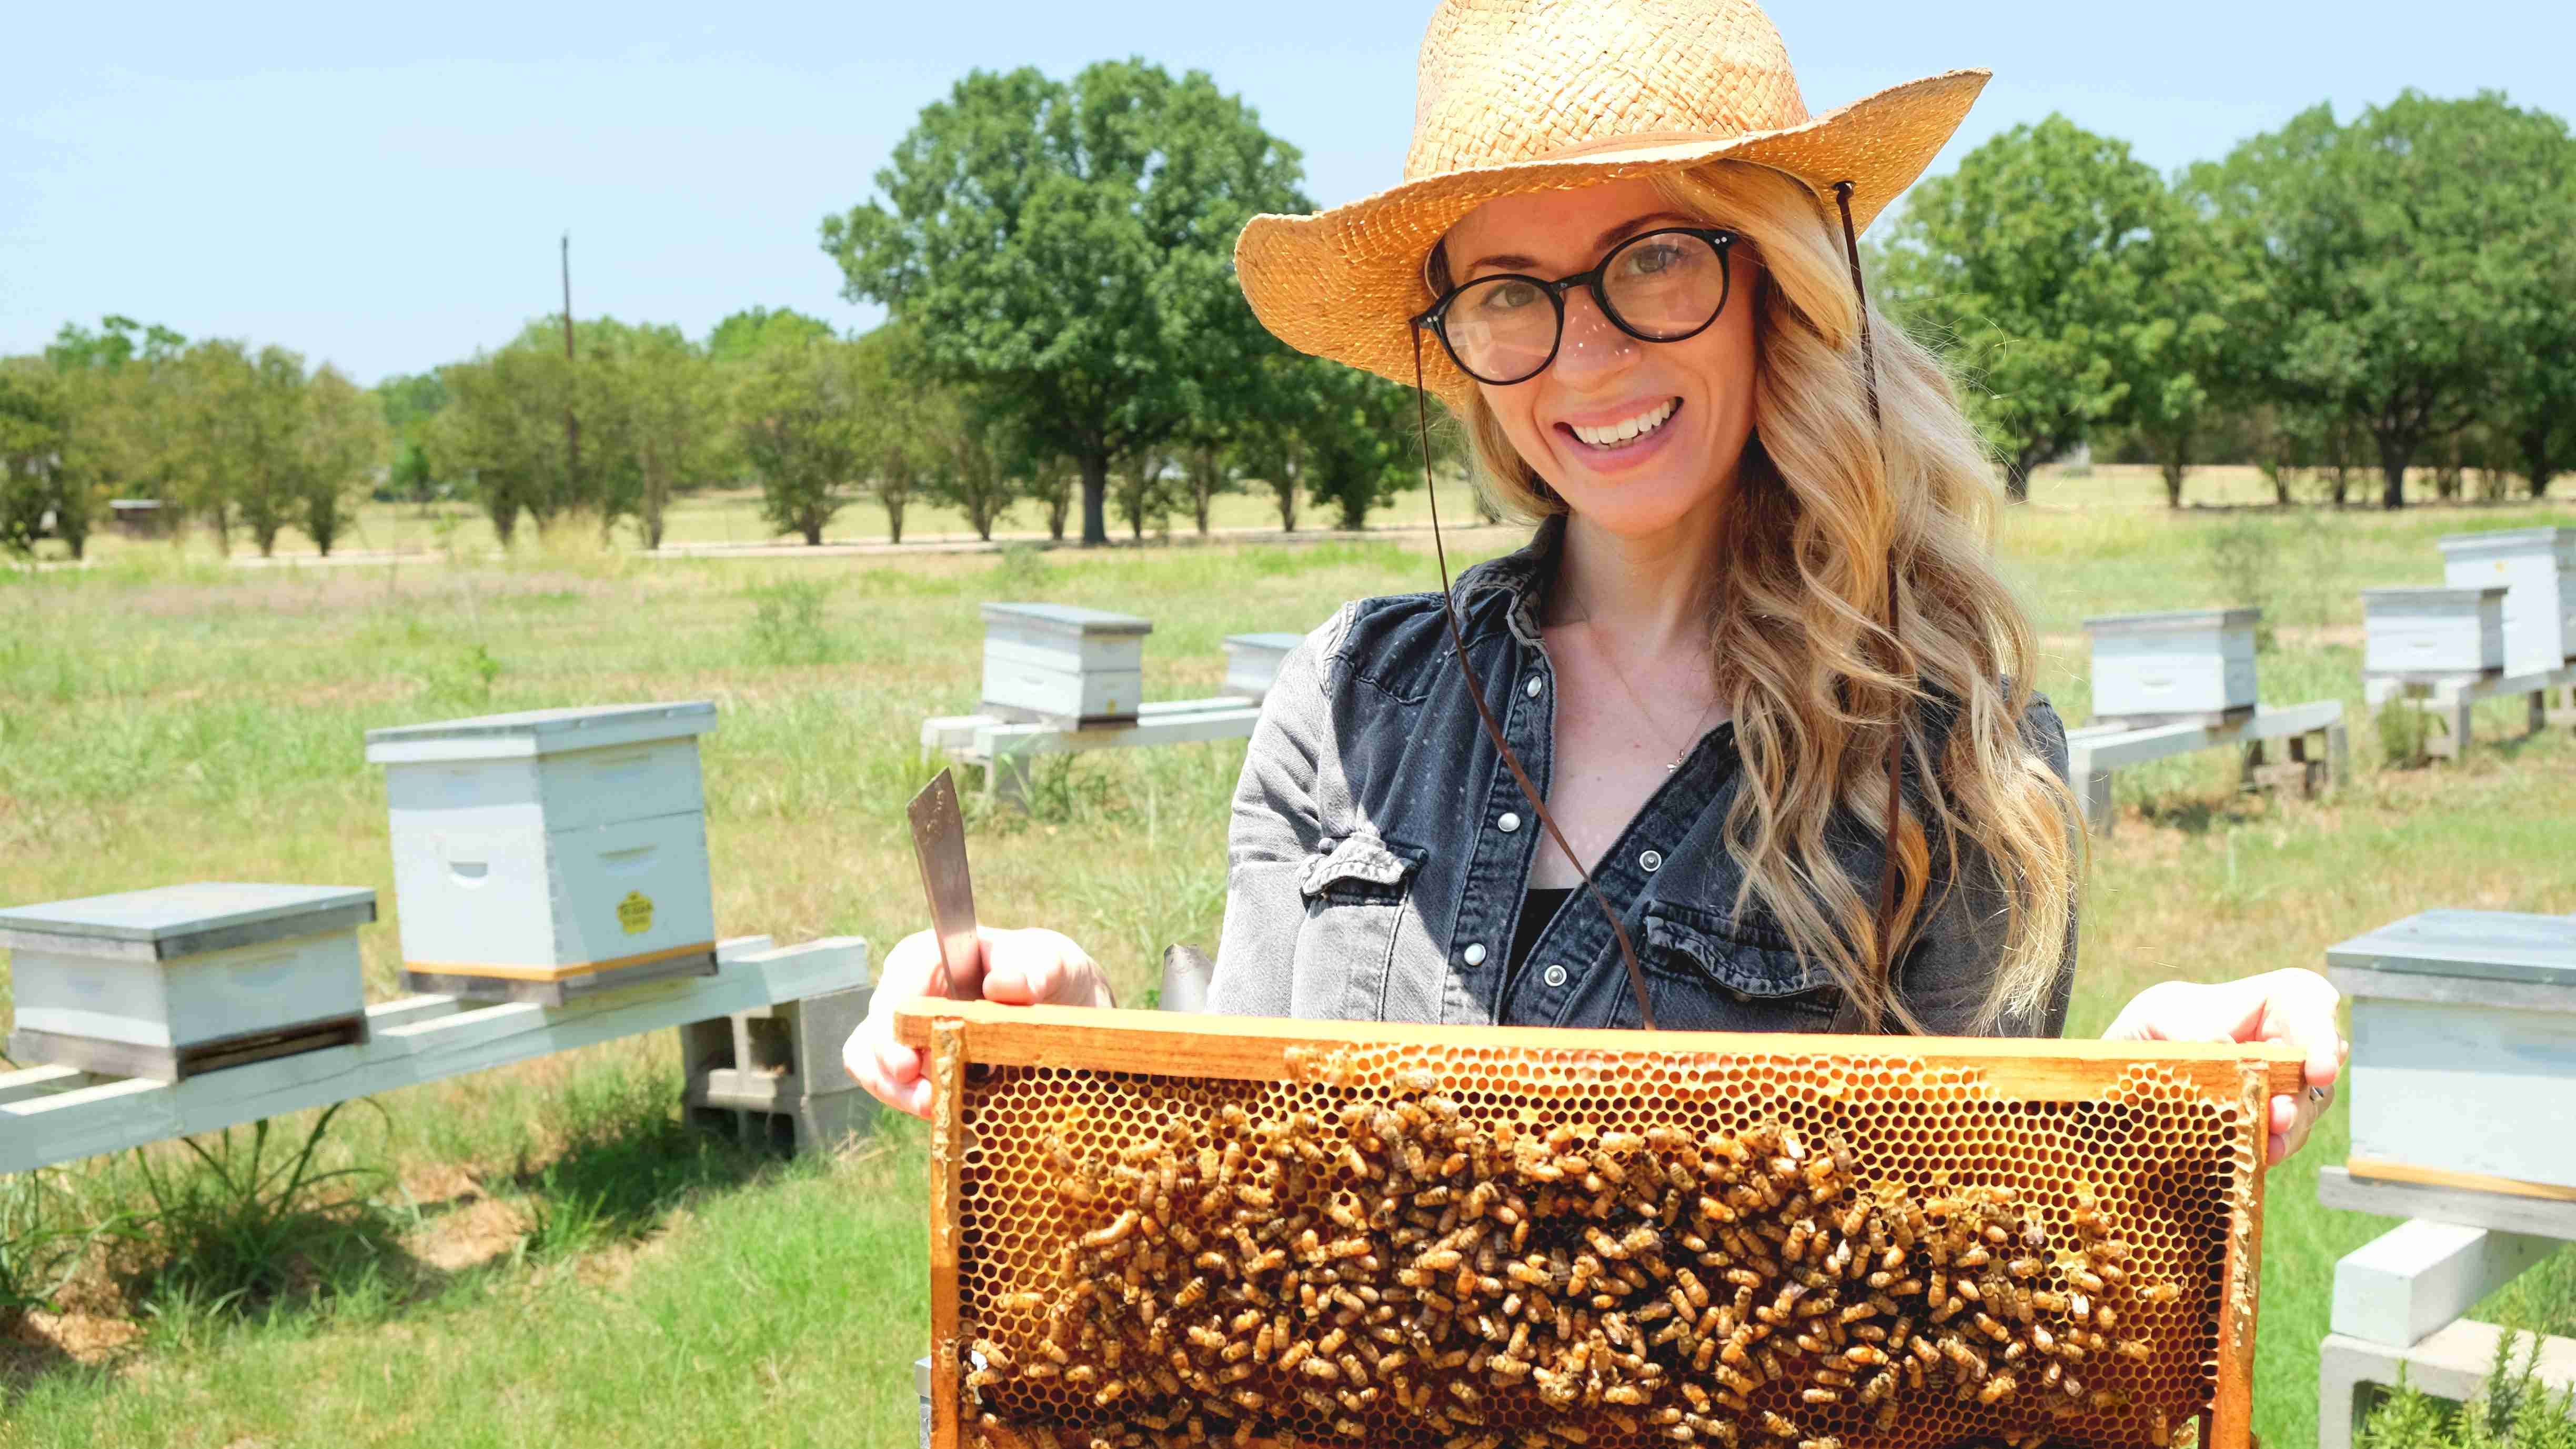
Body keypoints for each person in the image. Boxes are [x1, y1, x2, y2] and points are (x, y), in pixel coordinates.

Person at [848, 0, 2344, 1165]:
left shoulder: (1961, 766)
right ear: (1461, 345)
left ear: (1775, 278)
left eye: (1651, 260)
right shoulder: (1348, 704)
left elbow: (1978, 1262)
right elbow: (1247, 1145)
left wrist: (2149, 1101)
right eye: (1510, 294)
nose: (1587, 355)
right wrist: (1065, 1035)